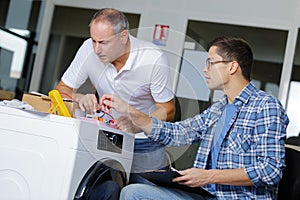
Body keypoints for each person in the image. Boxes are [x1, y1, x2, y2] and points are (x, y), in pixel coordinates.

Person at [100, 36, 290, 199]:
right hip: (204, 194)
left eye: (211, 62)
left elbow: (270, 170)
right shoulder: (219, 109)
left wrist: (208, 177)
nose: (205, 69)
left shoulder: (265, 106)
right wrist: (130, 111)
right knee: (133, 192)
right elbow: (178, 132)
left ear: (232, 67)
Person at [55, 8, 175, 199]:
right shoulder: (88, 49)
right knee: (104, 191)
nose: (96, 49)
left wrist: (135, 124)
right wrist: (79, 97)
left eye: (103, 42)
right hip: (108, 137)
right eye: (93, 40)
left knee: (140, 194)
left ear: (123, 36)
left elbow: (168, 110)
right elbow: (61, 90)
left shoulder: (153, 58)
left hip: (145, 143)